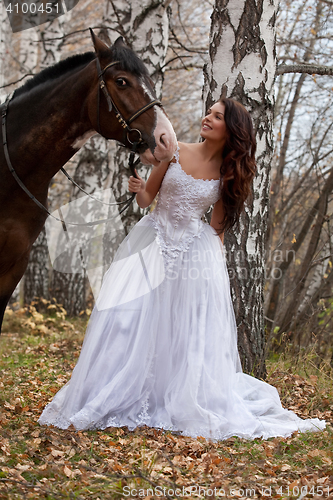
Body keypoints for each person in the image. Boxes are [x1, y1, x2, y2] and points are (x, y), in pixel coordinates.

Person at [39, 98, 325, 440]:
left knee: (181, 326)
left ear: (230, 130)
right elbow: (148, 200)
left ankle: (170, 393)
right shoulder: (174, 151)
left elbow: (217, 229)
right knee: (130, 318)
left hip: (192, 251)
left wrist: (211, 276)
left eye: (217, 117)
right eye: (209, 112)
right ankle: (114, 389)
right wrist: (138, 189)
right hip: (152, 241)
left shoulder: (227, 173)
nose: (207, 118)